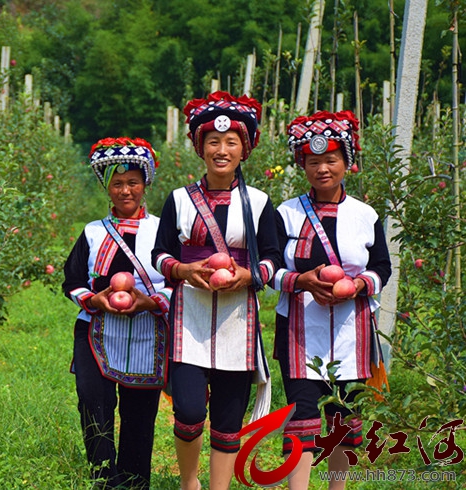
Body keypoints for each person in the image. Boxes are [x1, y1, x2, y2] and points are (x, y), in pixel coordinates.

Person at [151, 91, 281, 490]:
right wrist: (182, 268)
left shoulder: (259, 204)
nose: (221, 150)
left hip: (236, 325)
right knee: (189, 411)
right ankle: (190, 483)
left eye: (230, 142)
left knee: (228, 419)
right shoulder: (179, 200)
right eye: (212, 141)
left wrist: (249, 276)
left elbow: (274, 260)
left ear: (245, 149)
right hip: (188, 320)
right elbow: (159, 254)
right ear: (198, 147)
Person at [272, 110, 392, 489]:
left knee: (343, 416)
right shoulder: (286, 214)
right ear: (302, 165)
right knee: (303, 416)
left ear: (346, 162)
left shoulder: (365, 215)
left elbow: (381, 268)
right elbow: (270, 267)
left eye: (330, 160)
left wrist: (357, 286)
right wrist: (300, 280)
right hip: (298, 332)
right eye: (313, 161)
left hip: (350, 333)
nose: (322, 168)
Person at [62, 137, 171, 489]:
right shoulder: (93, 232)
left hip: (147, 332)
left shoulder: (163, 232)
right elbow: (72, 281)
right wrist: (94, 301)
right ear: (106, 187)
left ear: (146, 183)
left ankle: (135, 480)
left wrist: (151, 301)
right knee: (94, 402)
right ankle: (102, 477)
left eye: (133, 183)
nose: (126, 191)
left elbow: (178, 280)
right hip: (96, 330)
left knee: (140, 411)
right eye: (117, 183)